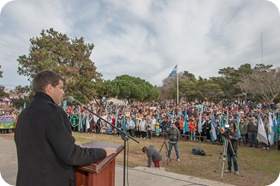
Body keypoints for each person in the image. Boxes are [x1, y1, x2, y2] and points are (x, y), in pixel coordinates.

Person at [14, 70, 116, 186]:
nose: (63, 92)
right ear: (50, 87)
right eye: (61, 88)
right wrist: (103, 152)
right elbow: (72, 156)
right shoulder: (54, 112)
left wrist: (67, 144)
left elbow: (39, 145)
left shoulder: (24, 113)